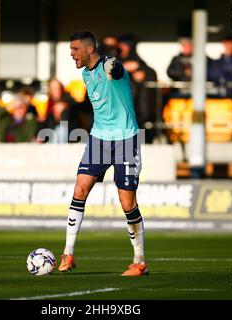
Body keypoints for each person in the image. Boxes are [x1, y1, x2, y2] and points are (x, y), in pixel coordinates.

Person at [59, 31, 147, 276]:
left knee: (127, 202)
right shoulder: (86, 74)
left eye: (75, 49)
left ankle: (139, 261)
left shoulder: (110, 65)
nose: (71, 53)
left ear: (89, 49)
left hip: (126, 138)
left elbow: (115, 69)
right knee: (79, 189)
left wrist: (113, 65)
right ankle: (68, 254)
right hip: (99, 138)